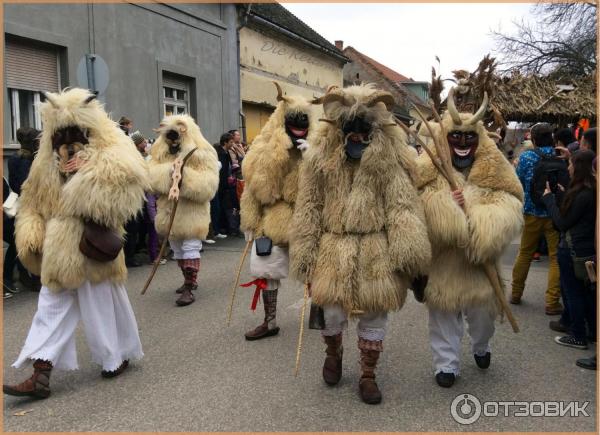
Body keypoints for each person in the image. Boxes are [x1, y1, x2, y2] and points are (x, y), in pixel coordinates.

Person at [290, 84, 431, 404]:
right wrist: (305, 256)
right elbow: (308, 208)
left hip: (375, 250)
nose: (355, 135)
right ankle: (334, 352)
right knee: (331, 313)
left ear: (375, 129)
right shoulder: (318, 162)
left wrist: (410, 256)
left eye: (363, 128)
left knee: (374, 313)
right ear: (338, 129)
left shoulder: (390, 163)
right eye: (348, 128)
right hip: (332, 247)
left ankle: (368, 373)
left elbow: (402, 208)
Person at [3, 88, 148, 399]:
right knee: (49, 309)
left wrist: (84, 174)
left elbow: (123, 198)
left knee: (101, 308)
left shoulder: (112, 152)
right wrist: (31, 234)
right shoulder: (44, 163)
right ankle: (40, 375)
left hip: (92, 247)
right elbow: (32, 200)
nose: (67, 142)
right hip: (58, 253)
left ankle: (114, 358)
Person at [415, 88, 523, 388]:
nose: (463, 143)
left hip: (480, 264)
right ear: (445, 139)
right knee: (443, 317)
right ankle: (446, 365)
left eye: (470, 138)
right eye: (455, 137)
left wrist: (473, 213)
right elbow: (416, 202)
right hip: (444, 264)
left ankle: (481, 346)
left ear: (479, 141)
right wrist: (446, 209)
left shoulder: (493, 172)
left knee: (482, 319)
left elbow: (510, 202)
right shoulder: (430, 170)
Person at [239, 82, 314, 340]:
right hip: (273, 219)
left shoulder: (318, 148)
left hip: (309, 218)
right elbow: (254, 189)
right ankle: (269, 321)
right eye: (293, 120)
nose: (298, 125)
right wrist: (250, 224)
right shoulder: (264, 146)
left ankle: (323, 316)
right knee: (266, 269)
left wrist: (312, 158)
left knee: (317, 270)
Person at [148, 114, 219, 306]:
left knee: (190, 247)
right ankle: (189, 280)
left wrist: (183, 177)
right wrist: (168, 173)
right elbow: (150, 178)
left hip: (192, 213)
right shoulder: (158, 155)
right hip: (169, 212)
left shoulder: (203, 154)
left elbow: (209, 186)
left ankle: (189, 286)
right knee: (178, 249)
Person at [542, 150, 596, 349]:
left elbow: (562, 223)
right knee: (585, 293)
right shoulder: (590, 190)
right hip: (585, 249)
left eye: (571, 164)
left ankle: (577, 335)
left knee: (572, 293)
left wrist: (549, 200)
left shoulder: (583, 194)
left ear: (579, 167)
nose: (568, 168)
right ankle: (590, 331)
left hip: (574, 250)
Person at [511, 122, 563, 315]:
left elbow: (518, 182)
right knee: (556, 258)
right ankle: (551, 302)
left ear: (533, 139)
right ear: (552, 138)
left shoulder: (526, 158)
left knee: (525, 253)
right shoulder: (560, 157)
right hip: (554, 213)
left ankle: (516, 293)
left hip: (531, 211)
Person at [6, 127, 42, 292]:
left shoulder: (14, 158)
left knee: (21, 242)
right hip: (30, 206)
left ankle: (24, 276)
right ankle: (31, 278)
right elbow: (26, 185)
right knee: (32, 241)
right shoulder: (28, 161)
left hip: (22, 205)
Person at [215, 133, 241, 237]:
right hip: (222, 184)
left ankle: (224, 227)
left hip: (227, 183)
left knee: (224, 206)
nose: (232, 143)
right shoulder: (221, 154)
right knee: (220, 207)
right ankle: (220, 228)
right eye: (230, 142)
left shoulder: (226, 152)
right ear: (225, 142)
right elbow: (222, 171)